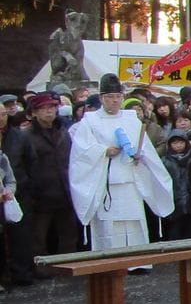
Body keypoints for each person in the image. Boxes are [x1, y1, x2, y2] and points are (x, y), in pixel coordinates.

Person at [68, 75, 173, 272]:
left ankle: (137, 261)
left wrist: (139, 155)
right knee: (109, 224)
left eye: (118, 96)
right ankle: (110, 260)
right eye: (110, 97)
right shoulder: (90, 121)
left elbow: (146, 148)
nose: (114, 101)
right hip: (106, 180)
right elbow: (81, 151)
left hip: (129, 178)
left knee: (133, 220)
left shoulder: (130, 119)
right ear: (101, 98)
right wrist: (103, 151)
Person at [26, 92, 77, 260]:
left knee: (68, 232)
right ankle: (39, 267)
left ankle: (68, 263)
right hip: (40, 194)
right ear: (34, 112)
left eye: (53, 107)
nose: (49, 111)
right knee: (38, 236)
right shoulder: (27, 136)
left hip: (65, 190)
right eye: (44, 108)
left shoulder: (63, 131)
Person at [0, 106, 36, 285]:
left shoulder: (20, 136)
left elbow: (31, 162)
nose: (1, 118)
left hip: (18, 190)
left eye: (3, 114)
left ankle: (22, 274)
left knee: (20, 235)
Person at [161, 129, 191, 241]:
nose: (178, 145)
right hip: (174, 199)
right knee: (175, 230)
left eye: (181, 142)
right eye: (174, 143)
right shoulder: (165, 161)